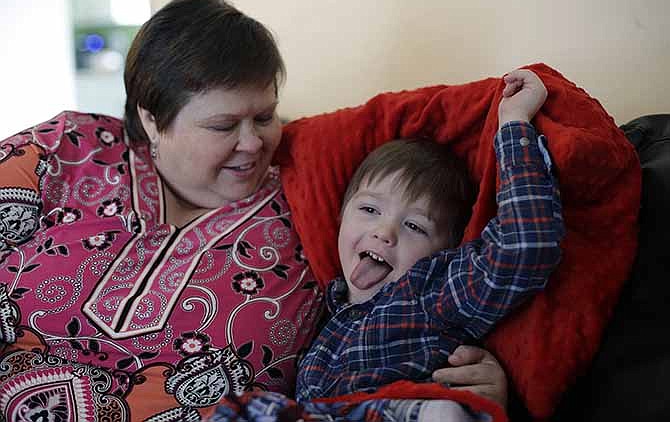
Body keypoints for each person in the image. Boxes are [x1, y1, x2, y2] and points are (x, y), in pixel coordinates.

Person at [0, 0, 508, 421]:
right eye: (223, 126)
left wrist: (458, 375)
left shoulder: (313, 199)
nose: (252, 143)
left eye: (264, 116)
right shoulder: (65, 148)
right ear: (153, 120)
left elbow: (410, 288)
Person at [207, 69, 563, 421]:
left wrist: (514, 122)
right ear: (341, 217)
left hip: (404, 409)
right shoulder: (322, 308)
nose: (385, 232)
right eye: (369, 209)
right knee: (244, 409)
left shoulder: (433, 291)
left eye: (414, 226)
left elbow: (525, 247)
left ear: (446, 252)